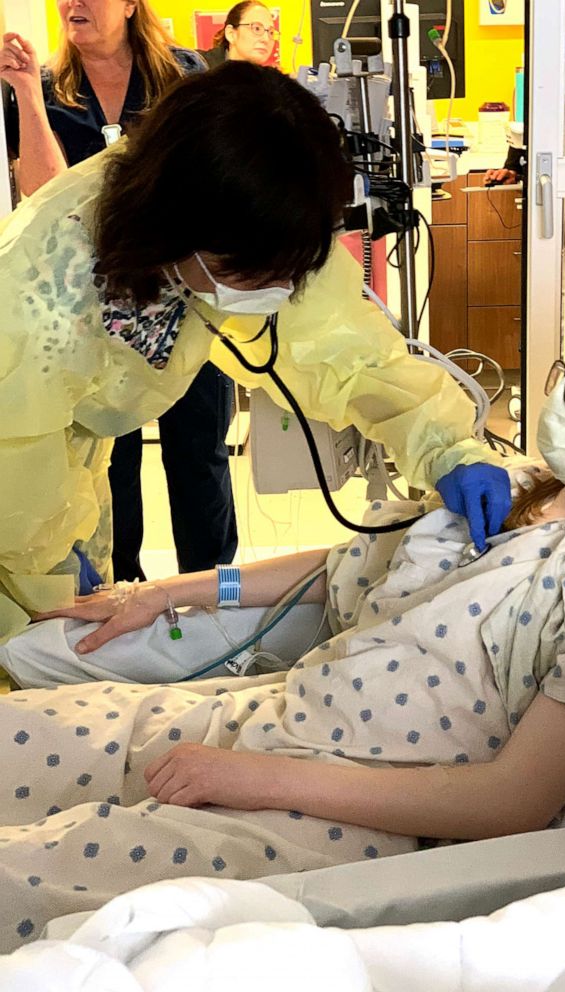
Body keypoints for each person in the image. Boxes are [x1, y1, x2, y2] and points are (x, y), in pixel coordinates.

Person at [0, 308, 565, 950]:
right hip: (260, 714)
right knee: (22, 729)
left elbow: (513, 800)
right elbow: (344, 568)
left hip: (324, 808)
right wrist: (164, 593)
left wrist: (252, 778)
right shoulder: (508, 487)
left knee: (31, 877)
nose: (564, 397)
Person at [0, 61, 511, 647]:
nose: (278, 295)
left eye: (288, 274)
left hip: (69, 475)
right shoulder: (38, 296)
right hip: (14, 485)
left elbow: (349, 350)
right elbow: (15, 466)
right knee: (35, 655)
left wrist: (446, 445)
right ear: (175, 234)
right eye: (253, 276)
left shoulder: (254, 217)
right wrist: (46, 573)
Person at [0, 4, 238, 587]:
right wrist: (29, 95)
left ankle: (216, 594)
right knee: (106, 462)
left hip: (180, 300)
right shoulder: (48, 87)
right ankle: (120, 593)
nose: (74, 4)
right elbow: (44, 199)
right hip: (86, 314)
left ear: (130, 3)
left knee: (199, 449)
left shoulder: (184, 76)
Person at [200, 0, 278, 69]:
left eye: (271, 32)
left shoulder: (268, 81)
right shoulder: (196, 67)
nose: (266, 39)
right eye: (257, 28)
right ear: (231, 34)